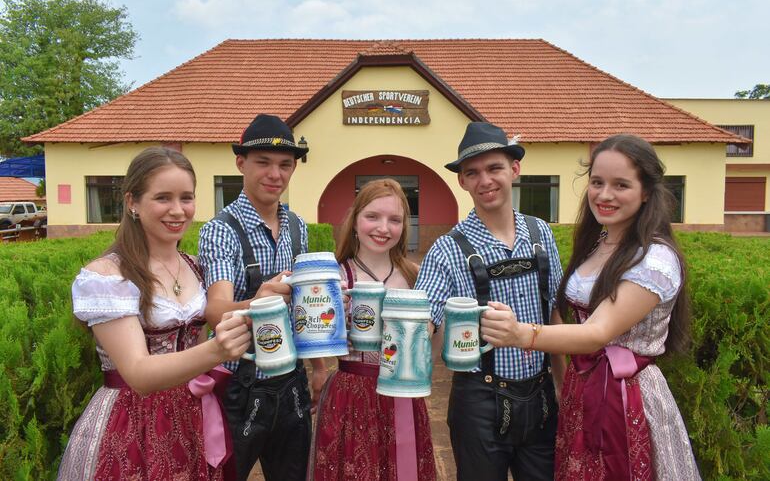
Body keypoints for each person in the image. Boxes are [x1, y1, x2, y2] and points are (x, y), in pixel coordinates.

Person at [480, 134, 701, 479]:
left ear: (646, 192)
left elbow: (596, 333)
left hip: (627, 398)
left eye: (621, 185)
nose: (605, 195)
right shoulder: (598, 242)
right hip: (584, 388)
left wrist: (521, 334)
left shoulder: (655, 259)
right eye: (597, 182)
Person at [58, 147, 250, 480]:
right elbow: (139, 373)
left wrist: (260, 302)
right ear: (132, 202)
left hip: (191, 416)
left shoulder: (194, 267)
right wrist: (217, 350)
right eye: (163, 198)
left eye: (186, 198)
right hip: (131, 423)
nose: (178, 210)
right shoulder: (108, 277)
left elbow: (196, 344)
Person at [415, 122, 565, 481]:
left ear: (514, 169)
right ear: (461, 181)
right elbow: (424, 322)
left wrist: (563, 386)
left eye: (494, 168)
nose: (485, 180)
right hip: (479, 401)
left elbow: (555, 314)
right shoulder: (447, 249)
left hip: (543, 394)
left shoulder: (541, 233)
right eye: (473, 173)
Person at [198, 114, 328, 481]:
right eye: (263, 163)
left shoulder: (298, 227)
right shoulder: (221, 230)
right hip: (240, 383)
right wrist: (261, 298)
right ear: (241, 163)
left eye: (285, 165)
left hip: (291, 381)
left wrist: (318, 369)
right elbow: (217, 311)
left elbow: (304, 307)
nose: (275, 174)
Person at [309, 178, 437, 480]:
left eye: (395, 220)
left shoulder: (415, 276)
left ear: (404, 227)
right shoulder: (336, 276)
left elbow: (430, 344)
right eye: (372, 216)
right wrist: (319, 364)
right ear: (355, 222)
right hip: (350, 394)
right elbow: (312, 332)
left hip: (404, 393)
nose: (384, 228)